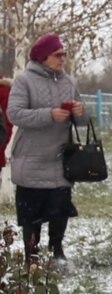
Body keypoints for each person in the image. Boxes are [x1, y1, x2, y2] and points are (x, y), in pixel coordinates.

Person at [7, 33, 88, 264]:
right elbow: (15, 113)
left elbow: (83, 121)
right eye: (57, 54)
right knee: (31, 213)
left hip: (61, 158)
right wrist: (49, 115)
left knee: (60, 209)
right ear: (43, 57)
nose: (62, 58)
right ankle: (31, 256)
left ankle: (57, 251)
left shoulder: (69, 82)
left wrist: (81, 113)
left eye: (64, 54)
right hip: (31, 158)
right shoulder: (24, 81)